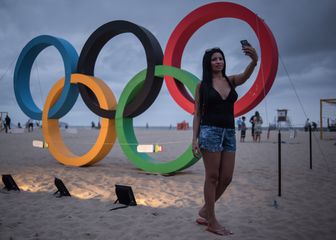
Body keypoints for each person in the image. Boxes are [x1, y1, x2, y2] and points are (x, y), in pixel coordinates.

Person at [192, 45, 258, 235]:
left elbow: (245, 76)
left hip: (229, 132)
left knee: (227, 177)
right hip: (209, 131)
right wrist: (194, 139)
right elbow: (196, 114)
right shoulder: (202, 86)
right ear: (208, 63)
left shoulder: (231, 81)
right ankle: (211, 221)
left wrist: (254, 61)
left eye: (220, 58)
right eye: (214, 59)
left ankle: (205, 210)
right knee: (212, 177)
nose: (218, 61)